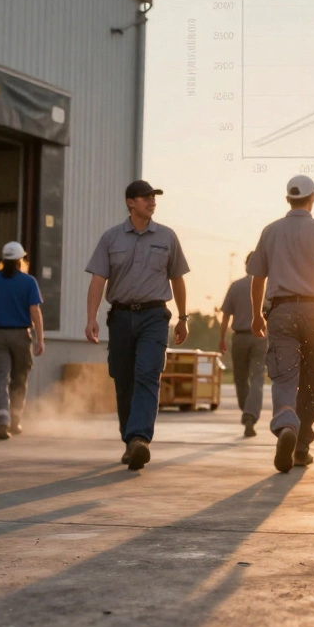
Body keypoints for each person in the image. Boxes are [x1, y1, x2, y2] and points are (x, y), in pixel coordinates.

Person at [84, 180, 191, 470]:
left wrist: (183, 318)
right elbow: (98, 280)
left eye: (153, 197)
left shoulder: (167, 237)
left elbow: (177, 279)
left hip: (155, 316)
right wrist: (91, 317)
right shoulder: (111, 238)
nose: (151, 202)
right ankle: (130, 440)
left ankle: (140, 438)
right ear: (130, 202)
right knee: (124, 380)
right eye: (145, 198)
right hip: (119, 317)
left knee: (148, 374)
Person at [248, 175, 314, 473]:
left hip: (280, 311)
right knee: (310, 381)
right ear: (312, 199)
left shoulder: (270, 231)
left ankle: (286, 424)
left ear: (287, 199)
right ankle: (302, 447)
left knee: (284, 377)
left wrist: (256, 315)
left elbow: (258, 279)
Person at [0, 241, 45, 440]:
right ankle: (15, 421)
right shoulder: (29, 282)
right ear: (20, 260)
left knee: (0, 378)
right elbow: (35, 311)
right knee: (19, 378)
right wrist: (40, 339)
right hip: (21, 336)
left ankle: (2, 421)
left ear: (3, 260)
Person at [219, 252, 267, 437]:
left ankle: (247, 413)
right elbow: (272, 311)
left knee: (240, 378)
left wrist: (222, 338)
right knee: (257, 378)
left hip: (239, 337)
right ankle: (250, 414)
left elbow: (225, 314)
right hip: (260, 338)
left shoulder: (236, 286)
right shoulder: (266, 287)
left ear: (247, 266)